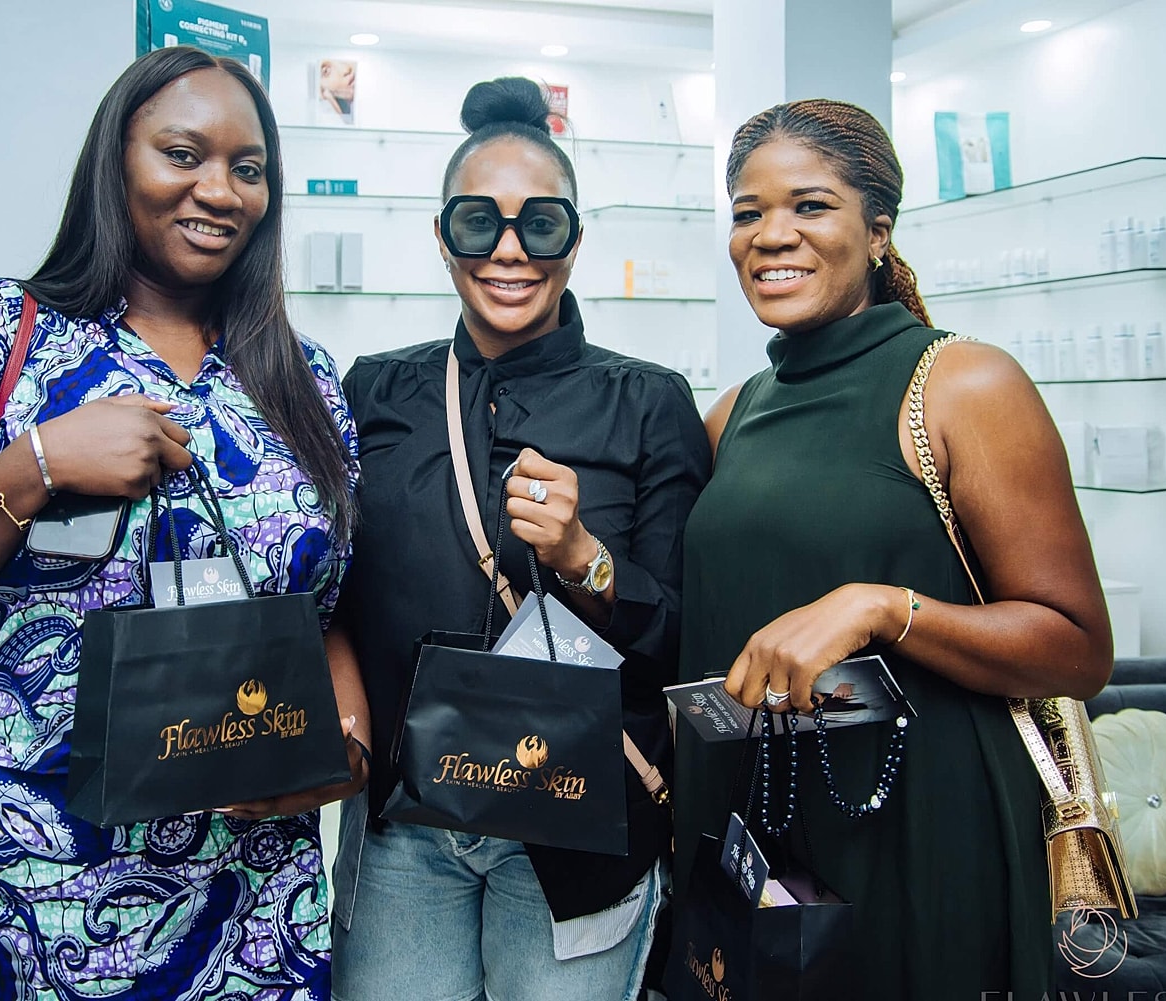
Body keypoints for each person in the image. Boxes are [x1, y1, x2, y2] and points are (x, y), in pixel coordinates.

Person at [0, 47, 369, 1000]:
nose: (220, 191)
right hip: (43, 900)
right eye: (182, 154)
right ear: (115, 162)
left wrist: (345, 750)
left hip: (261, 906)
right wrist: (32, 467)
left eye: (248, 168)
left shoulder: (306, 378)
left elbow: (324, 613)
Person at [674, 99, 1113, 1000]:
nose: (771, 235)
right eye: (748, 212)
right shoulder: (733, 413)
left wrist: (881, 606)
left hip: (922, 832)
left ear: (878, 231)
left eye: (810, 205)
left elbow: (1077, 647)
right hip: (762, 832)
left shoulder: (962, 385)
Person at [328, 77, 711, 1001]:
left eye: (540, 225)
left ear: (574, 238)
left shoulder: (648, 401)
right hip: (408, 827)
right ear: (441, 235)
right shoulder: (375, 390)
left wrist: (586, 560)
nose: (509, 251)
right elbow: (331, 590)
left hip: (578, 826)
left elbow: (684, 639)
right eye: (479, 223)